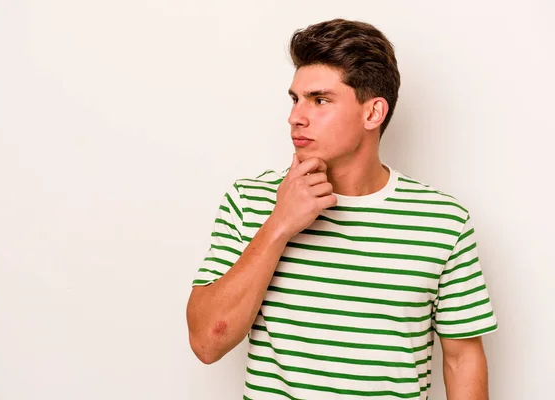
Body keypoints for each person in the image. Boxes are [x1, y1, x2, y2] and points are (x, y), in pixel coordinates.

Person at [186, 18, 498, 400]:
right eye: (295, 99)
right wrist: (280, 223)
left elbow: (461, 360)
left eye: (320, 100)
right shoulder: (250, 201)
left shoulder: (443, 221)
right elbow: (206, 343)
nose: (295, 116)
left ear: (372, 113)